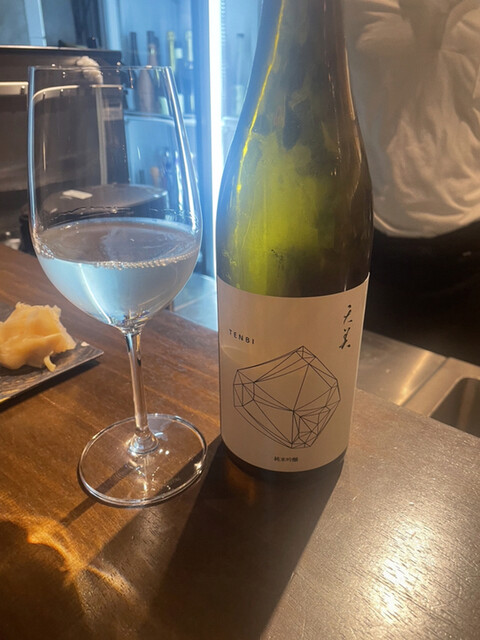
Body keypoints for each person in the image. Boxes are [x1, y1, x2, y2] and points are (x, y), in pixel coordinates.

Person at [343, 0, 480, 365]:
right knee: (367, 386)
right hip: (373, 243)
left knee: (462, 392)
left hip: (470, 251)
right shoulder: (348, 7)